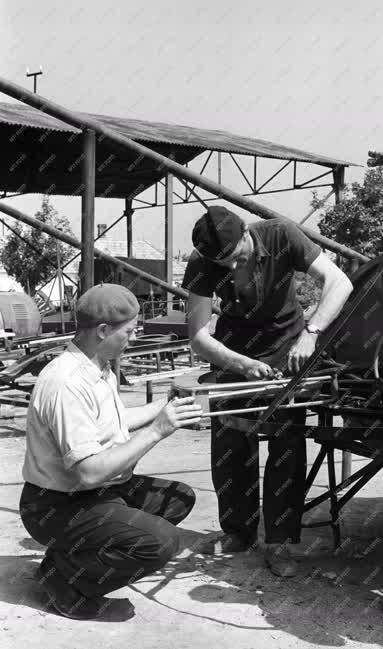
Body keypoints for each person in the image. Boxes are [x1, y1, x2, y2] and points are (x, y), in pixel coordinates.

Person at [182, 206, 353, 577]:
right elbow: (198, 336)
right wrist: (240, 364)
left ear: (246, 232)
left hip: (287, 349)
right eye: (220, 263)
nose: (229, 268)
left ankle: (280, 542)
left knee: (285, 445)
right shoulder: (203, 262)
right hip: (232, 352)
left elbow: (340, 281)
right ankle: (238, 533)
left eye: (235, 257)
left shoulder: (281, 234)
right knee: (229, 440)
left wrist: (312, 333)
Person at [20, 283, 203, 620]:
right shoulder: (67, 384)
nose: (133, 339)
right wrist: (158, 430)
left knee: (177, 499)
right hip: (55, 505)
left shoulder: (98, 368)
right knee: (161, 542)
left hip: (91, 492)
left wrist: (168, 405)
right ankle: (63, 580)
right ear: (103, 331)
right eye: (129, 331)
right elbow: (88, 471)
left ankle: (67, 558)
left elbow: (114, 422)